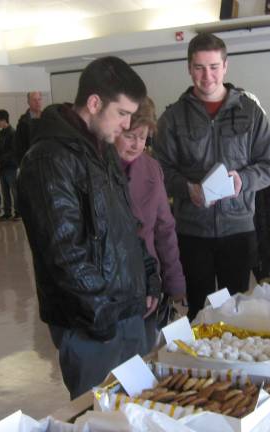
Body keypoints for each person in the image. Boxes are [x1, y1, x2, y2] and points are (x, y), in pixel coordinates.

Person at [17, 57, 160, 399]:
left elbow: (127, 224)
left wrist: (148, 275)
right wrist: (104, 315)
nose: (127, 125)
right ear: (95, 103)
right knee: (101, 417)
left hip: (126, 312)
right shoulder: (48, 159)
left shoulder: (102, 150)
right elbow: (64, 254)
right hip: (91, 326)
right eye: (122, 113)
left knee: (137, 413)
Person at [154, 33, 270, 320]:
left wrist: (245, 180)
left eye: (213, 66)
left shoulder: (250, 113)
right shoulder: (173, 118)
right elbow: (160, 172)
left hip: (238, 230)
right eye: (199, 67)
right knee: (198, 312)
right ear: (189, 68)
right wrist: (188, 189)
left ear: (225, 66)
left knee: (235, 311)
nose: (207, 75)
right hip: (191, 233)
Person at [113, 96, 186, 350]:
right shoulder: (97, 168)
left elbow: (165, 229)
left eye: (143, 137)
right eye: (130, 136)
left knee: (144, 355)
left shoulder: (152, 168)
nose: (136, 145)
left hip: (147, 285)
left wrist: (175, 282)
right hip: (112, 285)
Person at [0, 110, 18, 220]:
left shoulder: (12, 133)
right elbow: (0, 148)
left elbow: (12, 152)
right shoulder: (1, 133)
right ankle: (7, 212)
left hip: (10, 167)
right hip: (2, 167)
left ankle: (18, 212)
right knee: (5, 191)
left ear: (3, 120)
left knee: (14, 191)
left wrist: (0, 161)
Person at [15, 91, 43, 165]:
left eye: (39, 99)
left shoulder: (48, 118)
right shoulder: (23, 122)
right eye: (34, 100)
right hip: (29, 162)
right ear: (28, 102)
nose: (37, 102)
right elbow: (18, 146)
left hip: (45, 161)